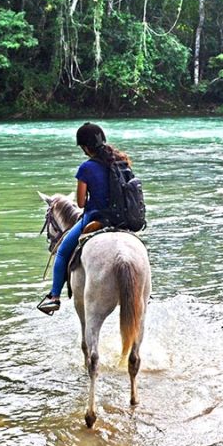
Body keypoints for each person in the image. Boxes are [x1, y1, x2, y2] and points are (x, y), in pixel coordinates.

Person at [37, 122, 132, 315]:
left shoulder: (86, 168)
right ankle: (146, 294)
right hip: (122, 219)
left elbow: (80, 203)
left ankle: (54, 297)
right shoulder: (122, 162)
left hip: (94, 217)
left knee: (62, 252)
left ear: (85, 147)